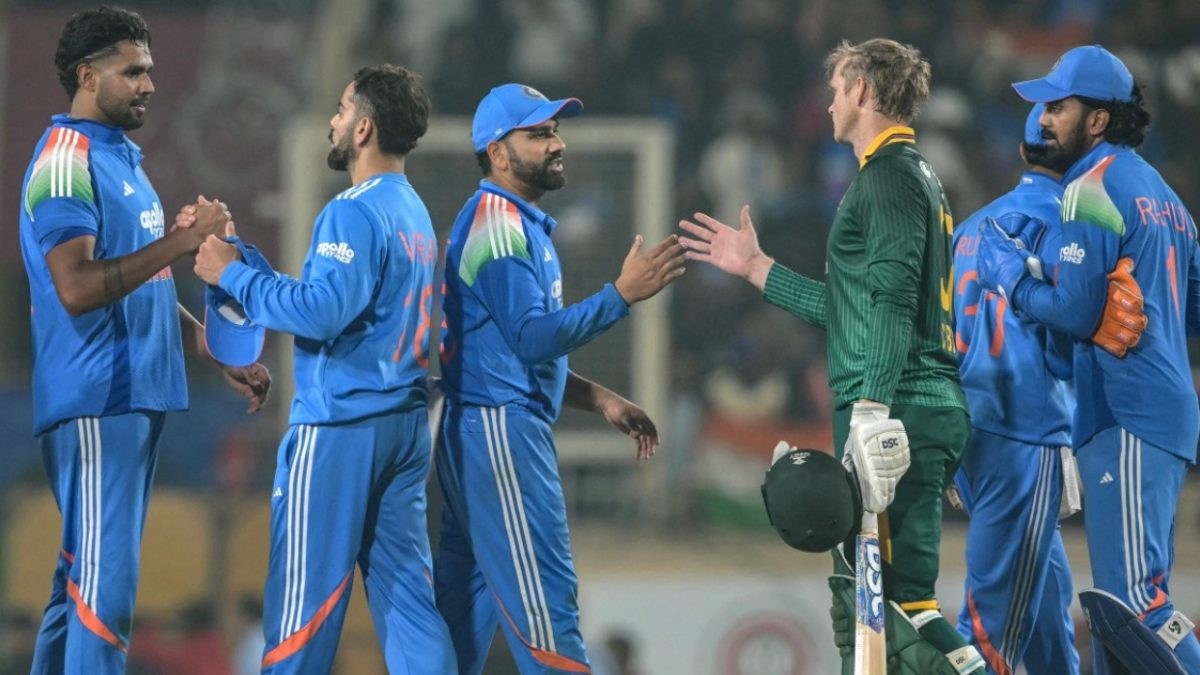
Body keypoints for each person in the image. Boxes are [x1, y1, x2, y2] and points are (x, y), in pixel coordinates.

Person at [679, 38, 985, 674]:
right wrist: (760, 269)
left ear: (865, 92)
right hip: (912, 406)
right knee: (897, 607)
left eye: (839, 89)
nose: (828, 103)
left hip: (895, 406)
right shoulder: (907, 175)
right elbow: (859, 309)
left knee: (878, 609)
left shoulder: (890, 177)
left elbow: (896, 302)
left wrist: (872, 408)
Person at [19, 7, 270, 673]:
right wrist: (186, 239)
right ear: (86, 73)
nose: (149, 85)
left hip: (131, 393)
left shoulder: (121, 160)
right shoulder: (65, 162)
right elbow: (75, 285)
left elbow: (149, 281)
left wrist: (216, 351)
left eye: (150, 71)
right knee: (106, 595)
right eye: (132, 72)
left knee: (75, 588)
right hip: (100, 396)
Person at [192, 64, 455, 673]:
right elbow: (346, 299)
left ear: (363, 128)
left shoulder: (352, 210)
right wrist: (245, 261)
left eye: (340, 111)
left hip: (341, 429)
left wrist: (227, 274)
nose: (332, 122)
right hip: (405, 426)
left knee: (303, 606)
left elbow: (322, 311)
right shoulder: (410, 208)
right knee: (410, 605)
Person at [435, 82, 686, 673]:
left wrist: (598, 399)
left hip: (483, 428)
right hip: (500, 435)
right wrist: (620, 296)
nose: (557, 143)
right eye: (539, 134)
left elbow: (506, 348)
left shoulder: (513, 223)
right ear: (499, 153)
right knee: (548, 609)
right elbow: (530, 339)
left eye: (555, 131)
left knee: (460, 627)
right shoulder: (498, 227)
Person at [976, 44, 1200, 673]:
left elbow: (1075, 313)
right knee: (1112, 622)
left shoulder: (1088, 186)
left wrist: (1012, 275)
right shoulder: (1166, 196)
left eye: (1058, 105)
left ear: (1097, 120)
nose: (1043, 117)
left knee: (1133, 607)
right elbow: (1196, 309)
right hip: (1158, 411)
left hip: (1125, 411)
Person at [951, 104, 1084, 675]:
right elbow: (1070, 336)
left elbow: (944, 334)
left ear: (1023, 152)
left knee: (1048, 613)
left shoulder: (968, 228)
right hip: (1026, 434)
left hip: (971, 424)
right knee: (988, 632)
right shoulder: (1077, 228)